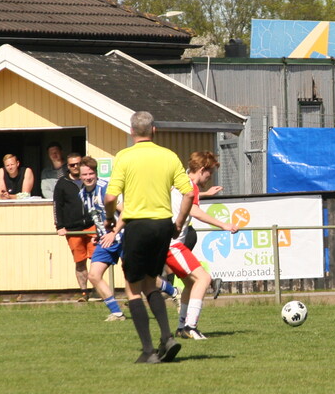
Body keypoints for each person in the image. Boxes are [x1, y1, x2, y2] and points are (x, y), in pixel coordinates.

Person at [105, 111, 194, 364]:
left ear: (131, 131)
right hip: (163, 225)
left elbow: (110, 197)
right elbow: (189, 194)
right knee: (151, 283)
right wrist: (178, 224)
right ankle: (167, 338)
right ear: (154, 130)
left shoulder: (124, 157)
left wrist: (109, 219)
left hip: (138, 225)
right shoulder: (169, 156)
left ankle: (148, 351)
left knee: (132, 288)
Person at [155, 151, 239, 339]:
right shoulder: (189, 186)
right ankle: (190, 327)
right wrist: (223, 225)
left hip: (167, 242)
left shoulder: (179, 180)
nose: (210, 177)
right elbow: (195, 211)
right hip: (173, 245)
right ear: (201, 170)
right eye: (210, 172)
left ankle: (181, 327)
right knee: (204, 279)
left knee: (190, 283)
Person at [79, 157, 131, 321]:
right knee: (94, 275)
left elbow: (126, 212)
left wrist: (113, 233)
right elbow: (97, 217)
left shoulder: (106, 188)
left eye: (91, 173)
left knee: (138, 277)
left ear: (96, 173)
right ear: (80, 176)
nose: (88, 177)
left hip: (123, 236)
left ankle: (173, 292)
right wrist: (98, 234)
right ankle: (117, 313)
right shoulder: (82, 194)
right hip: (106, 240)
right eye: (84, 174)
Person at [52, 152, 95, 301]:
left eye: (78, 163)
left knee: (97, 259)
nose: (75, 167)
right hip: (73, 229)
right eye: (72, 165)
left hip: (92, 226)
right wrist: (59, 226)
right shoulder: (62, 183)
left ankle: (99, 288)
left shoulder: (89, 179)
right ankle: (84, 292)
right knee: (80, 261)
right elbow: (57, 206)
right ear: (68, 166)